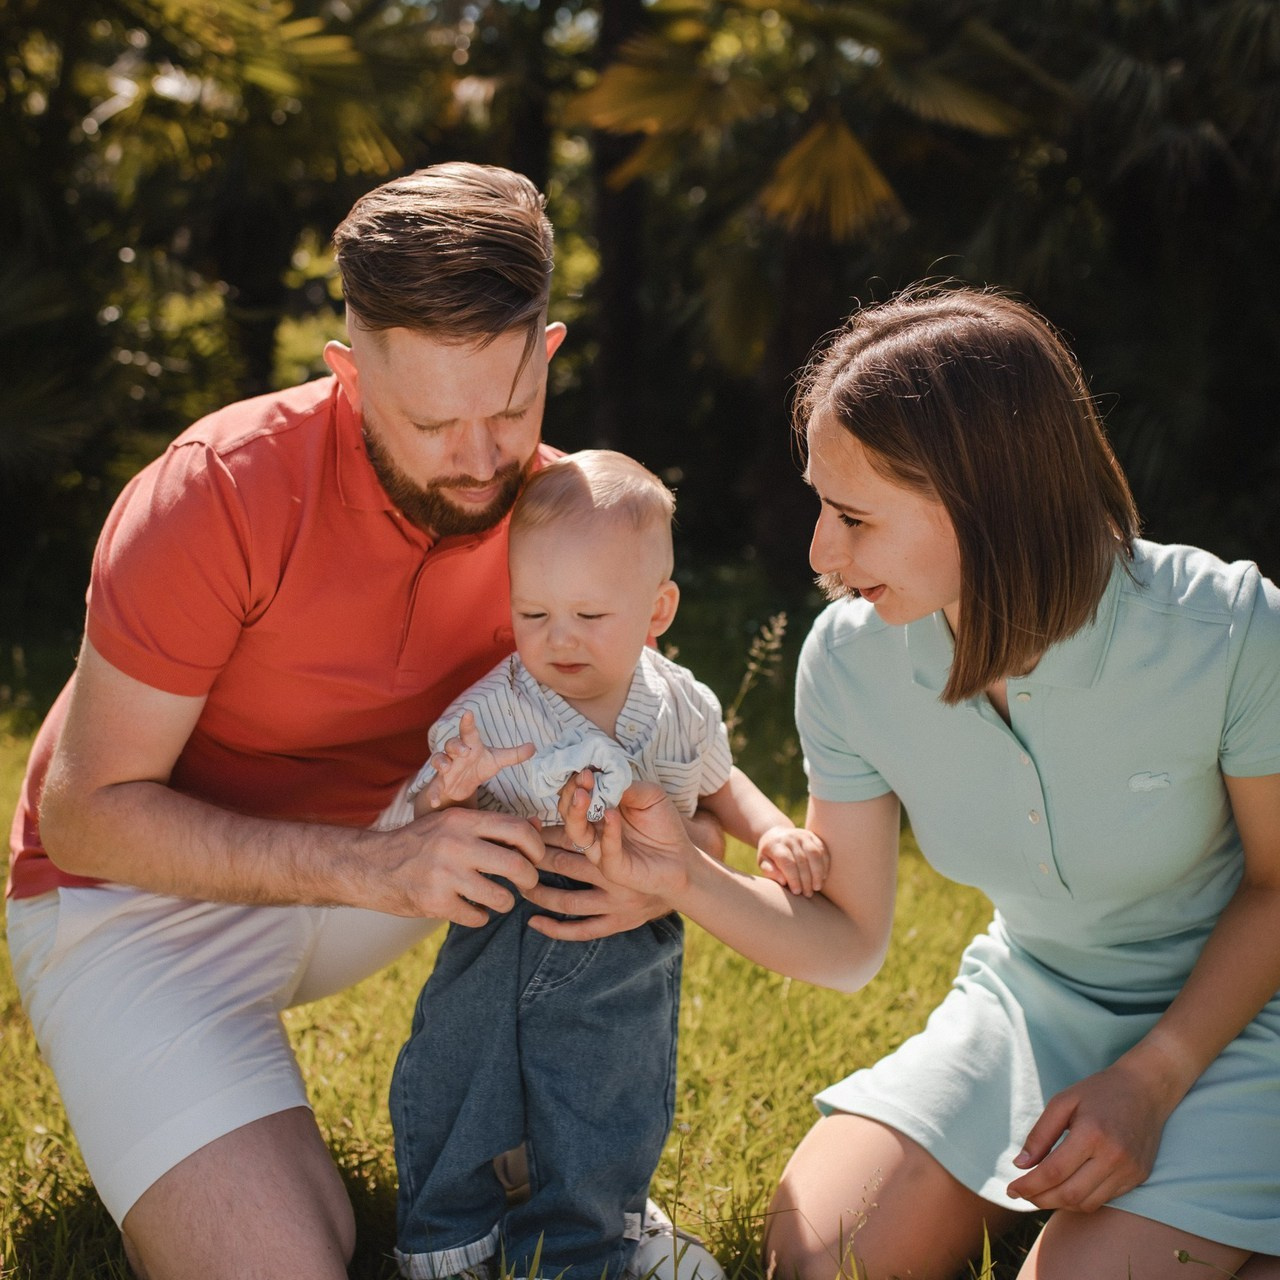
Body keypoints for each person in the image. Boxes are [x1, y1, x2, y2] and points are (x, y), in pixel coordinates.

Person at [4, 163, 709, 1280]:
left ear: (548, 354)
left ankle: (571, 1190)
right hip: (137, 899)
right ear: (347, 371)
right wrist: (371, 867)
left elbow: (653, 731)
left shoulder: (559, 511)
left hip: (386, 852)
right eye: (431, 421)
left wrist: (683, 860)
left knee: (590, 811)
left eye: (510, 410)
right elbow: (84, 815)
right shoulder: (216, 491)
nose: (479, 461)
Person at [541, 287, 1280, 1280]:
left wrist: (1153, 1078)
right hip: (1034, 1002)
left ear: (989, 500)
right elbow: (848, 938)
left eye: (853, 516)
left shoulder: (1226, 630)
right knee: (817, 1255)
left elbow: (1277, 885)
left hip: (1244, 1018)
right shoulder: (851, 660)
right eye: (821, 505)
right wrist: (682, 875)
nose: (820, 552)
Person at [383, 449, 829, 1280]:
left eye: (590, 615)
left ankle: (585, 1246)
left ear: (657, 610)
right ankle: (447, 1243)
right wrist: (449, 792)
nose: (558, 638)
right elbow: (424, 824)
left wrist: (772, 831)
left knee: (606, 1096)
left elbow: (719, 779)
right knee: (462, 1076)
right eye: (533, 613)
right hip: (504, 924)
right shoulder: (494, 712)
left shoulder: (678, 703)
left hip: (627, 932)